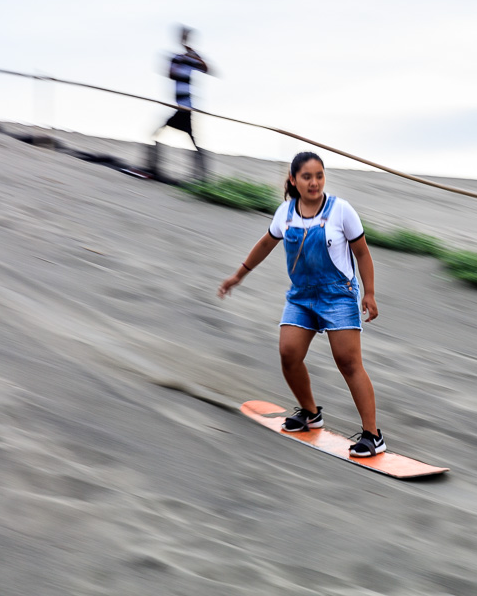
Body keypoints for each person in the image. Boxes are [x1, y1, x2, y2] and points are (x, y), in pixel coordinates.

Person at [218, 152, 385, 457]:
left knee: (348, 362)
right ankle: (310, 413)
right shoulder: (286, 212)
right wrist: (237, 276)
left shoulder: (341, 210)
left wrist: (369, 292)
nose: (314, 182)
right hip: (302, 295)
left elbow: (362, 253)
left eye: (319, 175)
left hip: (338, 295)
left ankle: (373, 435)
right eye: (307, 177)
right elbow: (266, 244)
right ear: (294, 180)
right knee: (288, 353)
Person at [148, 25, 210, 181]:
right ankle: (201, 175)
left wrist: (192, 54)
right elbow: (170, 74)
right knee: (189, 139)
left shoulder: (191, 58)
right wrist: (181, 59)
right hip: (181, 106)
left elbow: (205, 68)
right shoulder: (177, 58)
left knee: (157, 135)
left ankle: (200, 175)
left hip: (185, 107)